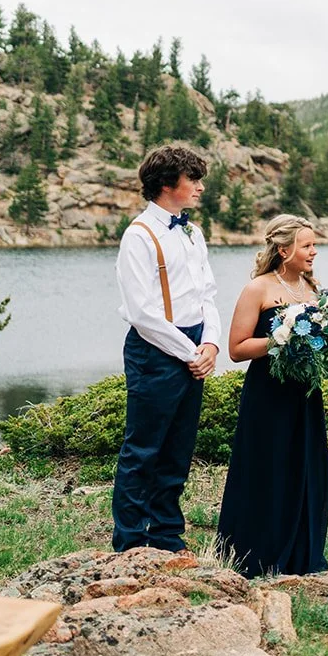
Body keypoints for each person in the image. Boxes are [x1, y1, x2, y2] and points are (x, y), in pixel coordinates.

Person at [113, 144, 220, 553]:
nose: (200, 187)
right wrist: (190, 351)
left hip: (193, 347)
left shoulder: (193, 232)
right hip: (155, 352)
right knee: (143, 450)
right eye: (192, 179)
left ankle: (166, 534)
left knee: (178, 449)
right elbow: (142, 312)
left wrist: (209, 342)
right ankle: (129, 543)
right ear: (165, 184)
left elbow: (207, 293)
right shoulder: (138, 237)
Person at [216, 214, 328, 577]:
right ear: (284, 250)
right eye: (307, 245)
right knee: (267, 468)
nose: (314, 251)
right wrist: (282, 340)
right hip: (268, 394)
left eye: (314, 244)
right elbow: (236, 348)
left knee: (305, 468)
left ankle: (302, 552)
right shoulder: (259, 290)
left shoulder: (313, 290)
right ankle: (254, 555)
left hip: (305, 394)